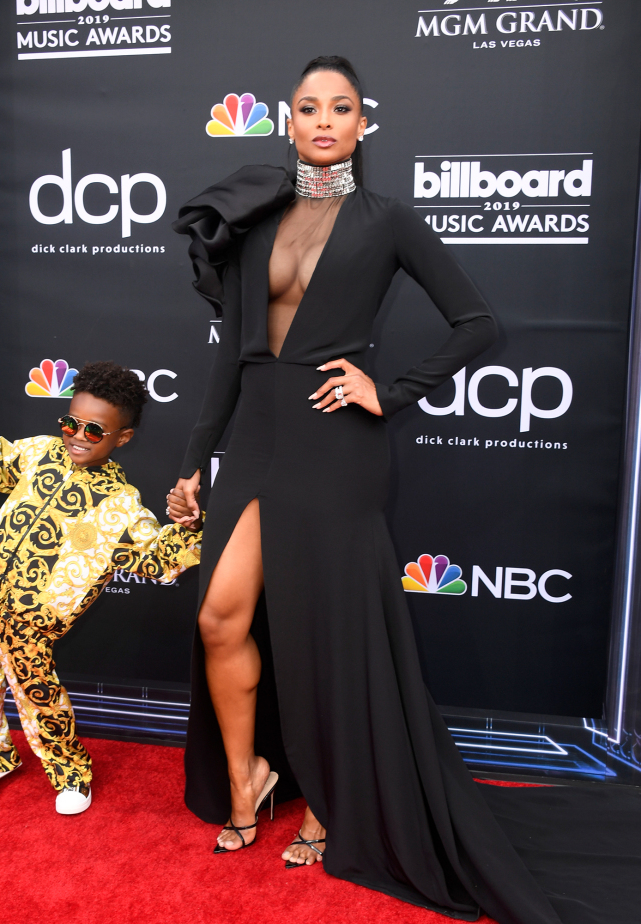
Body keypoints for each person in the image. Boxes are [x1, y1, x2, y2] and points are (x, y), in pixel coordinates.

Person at [169, 57, 641, 924]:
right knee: (219, 617)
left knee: (325, 639)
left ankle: (326, 802)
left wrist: (388, 390)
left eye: (339, 108)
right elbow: (226, 358)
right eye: (308, 107)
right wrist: (196, 461)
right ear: (287, 119)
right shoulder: (254, 218)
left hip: (339, 448)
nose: (322, 121)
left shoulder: (387, 221)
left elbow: (478, 322)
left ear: (361, 123)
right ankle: (248, 780)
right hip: (262, 436)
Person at [0, 361, 202, 815]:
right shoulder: (39, 452)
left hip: (33, 621)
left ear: (122, 438)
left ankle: (71, 774)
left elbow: (158, 562)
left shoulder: (120, 504)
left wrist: (185, 525)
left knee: (39, 696)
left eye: (94, 431)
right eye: (70, 423)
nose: (78, 436)